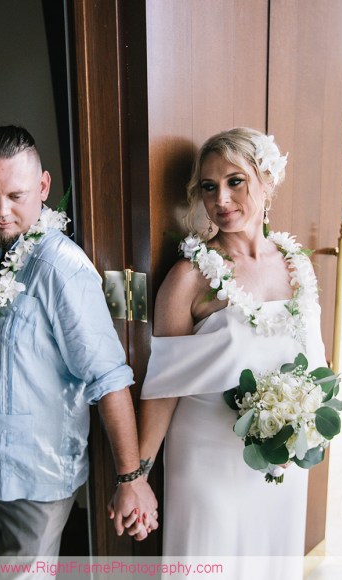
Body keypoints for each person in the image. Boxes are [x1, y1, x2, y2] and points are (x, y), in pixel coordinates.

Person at [0, 126, 157, 561]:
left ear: (43, 186)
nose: (1, 212)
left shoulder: (61, 268)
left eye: (16, 196)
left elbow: (108, 376)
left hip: (36, 479)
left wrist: (130, 478)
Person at [134, 128, 327, 577]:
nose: (220, 198)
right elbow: (162, 389)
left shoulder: (296, 265)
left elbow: (316, 365)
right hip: (207, 461)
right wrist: (136, 477)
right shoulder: (188, 278)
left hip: (279, 462)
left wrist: (307, 425)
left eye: (235, 181)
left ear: (268, 181)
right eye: (208, 186)